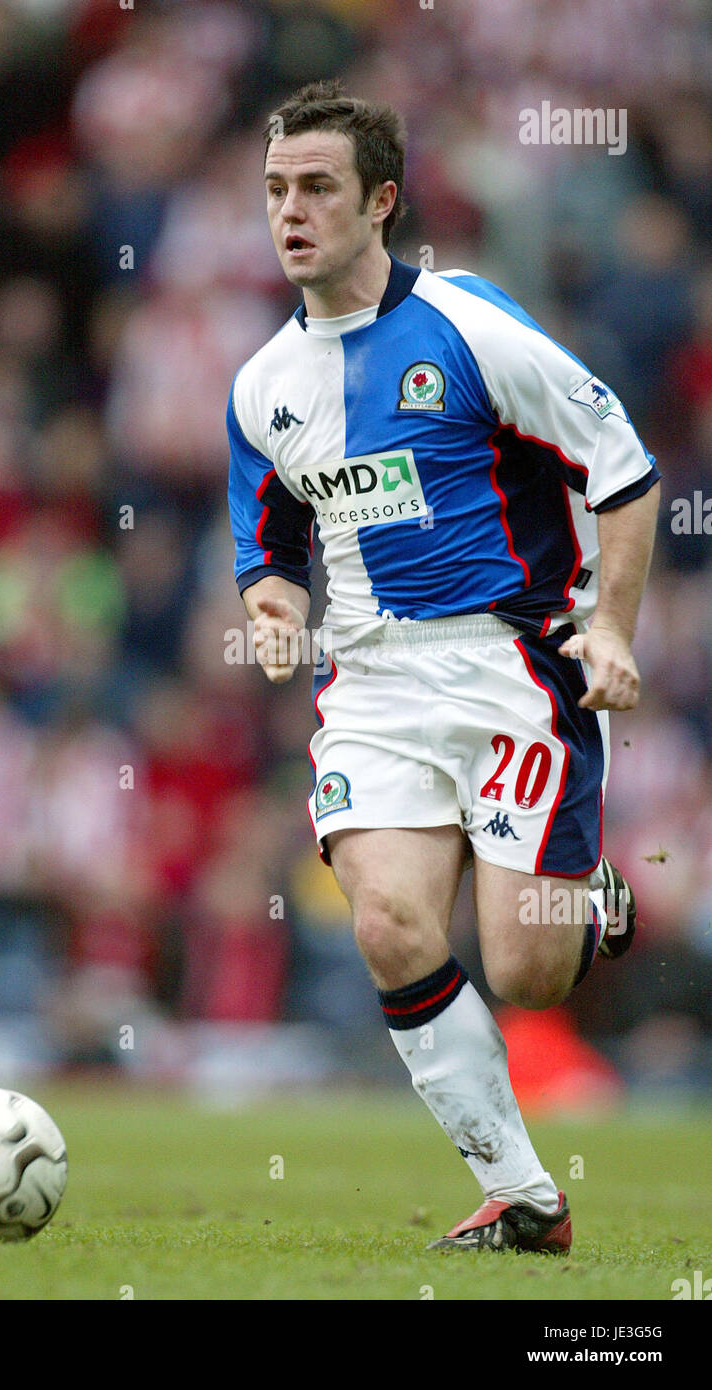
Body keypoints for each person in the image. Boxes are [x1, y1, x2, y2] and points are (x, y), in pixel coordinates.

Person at [226, 79, 660, 1253]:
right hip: (368, 682)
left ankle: (586, 896)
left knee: (526, 973)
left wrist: (608, 627)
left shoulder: (469, 327)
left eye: (315, 187)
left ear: (379, 200)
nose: (289, 211)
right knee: (385, 925)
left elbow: (620, 469)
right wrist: (269, 607)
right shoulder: (261, 386)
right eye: (273, 189)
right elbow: (264, 547)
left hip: (509, 664)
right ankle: (524, 1197)